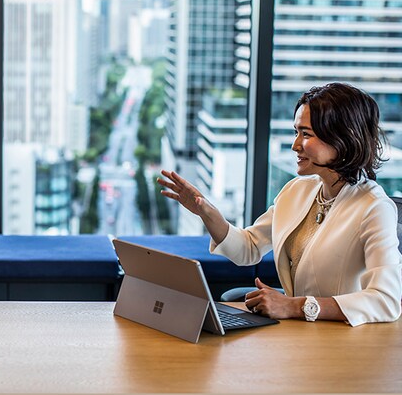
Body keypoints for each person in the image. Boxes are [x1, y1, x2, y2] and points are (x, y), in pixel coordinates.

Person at [158, 82, 402, 326]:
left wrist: (294, 305)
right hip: (297, 334)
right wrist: (206, 211)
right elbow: (247, 248)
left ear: (342, 138)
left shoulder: (373, 208)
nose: (295, 145)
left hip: (340, 343)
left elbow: (386, 300)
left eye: (306, 134)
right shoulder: (298, 190)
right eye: (296, 132)